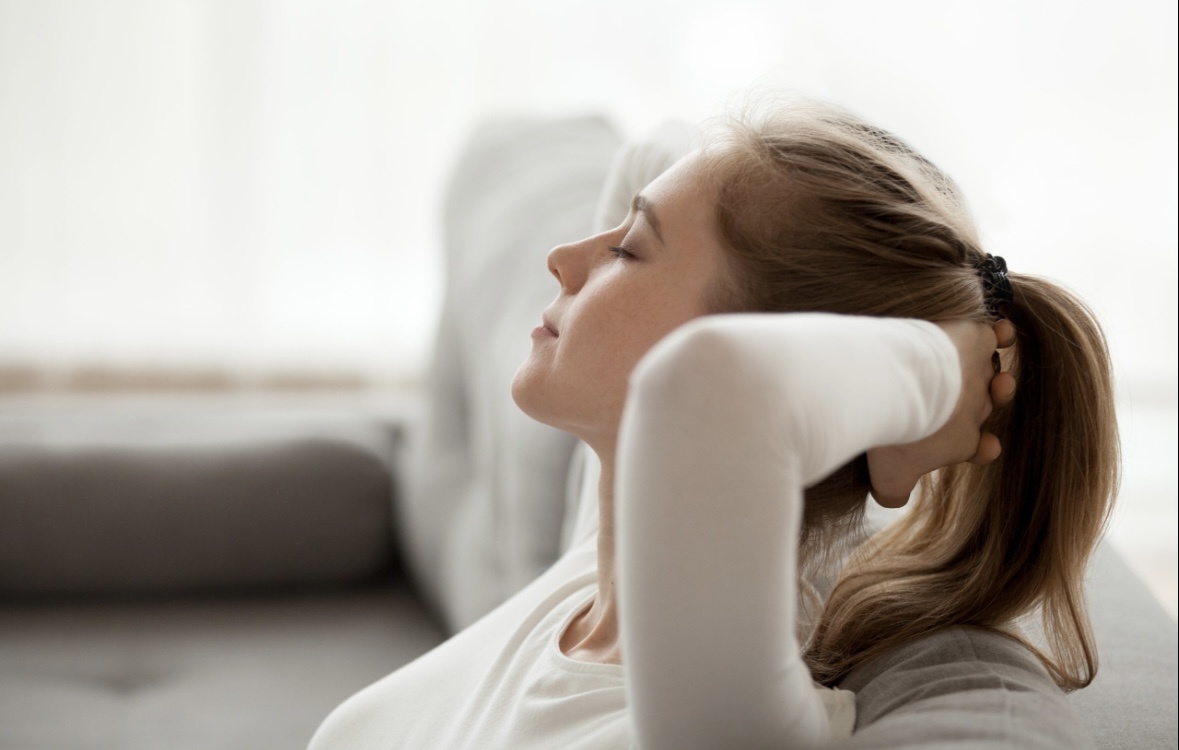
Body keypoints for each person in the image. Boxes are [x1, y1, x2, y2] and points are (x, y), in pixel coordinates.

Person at [308, 100, 1118, 749]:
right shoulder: (595, 572)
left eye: (628, 249)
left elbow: (710, 392)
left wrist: (948, 371)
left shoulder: (727, 714)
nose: (563, 257)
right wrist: (950, 305)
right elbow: (652, 152)